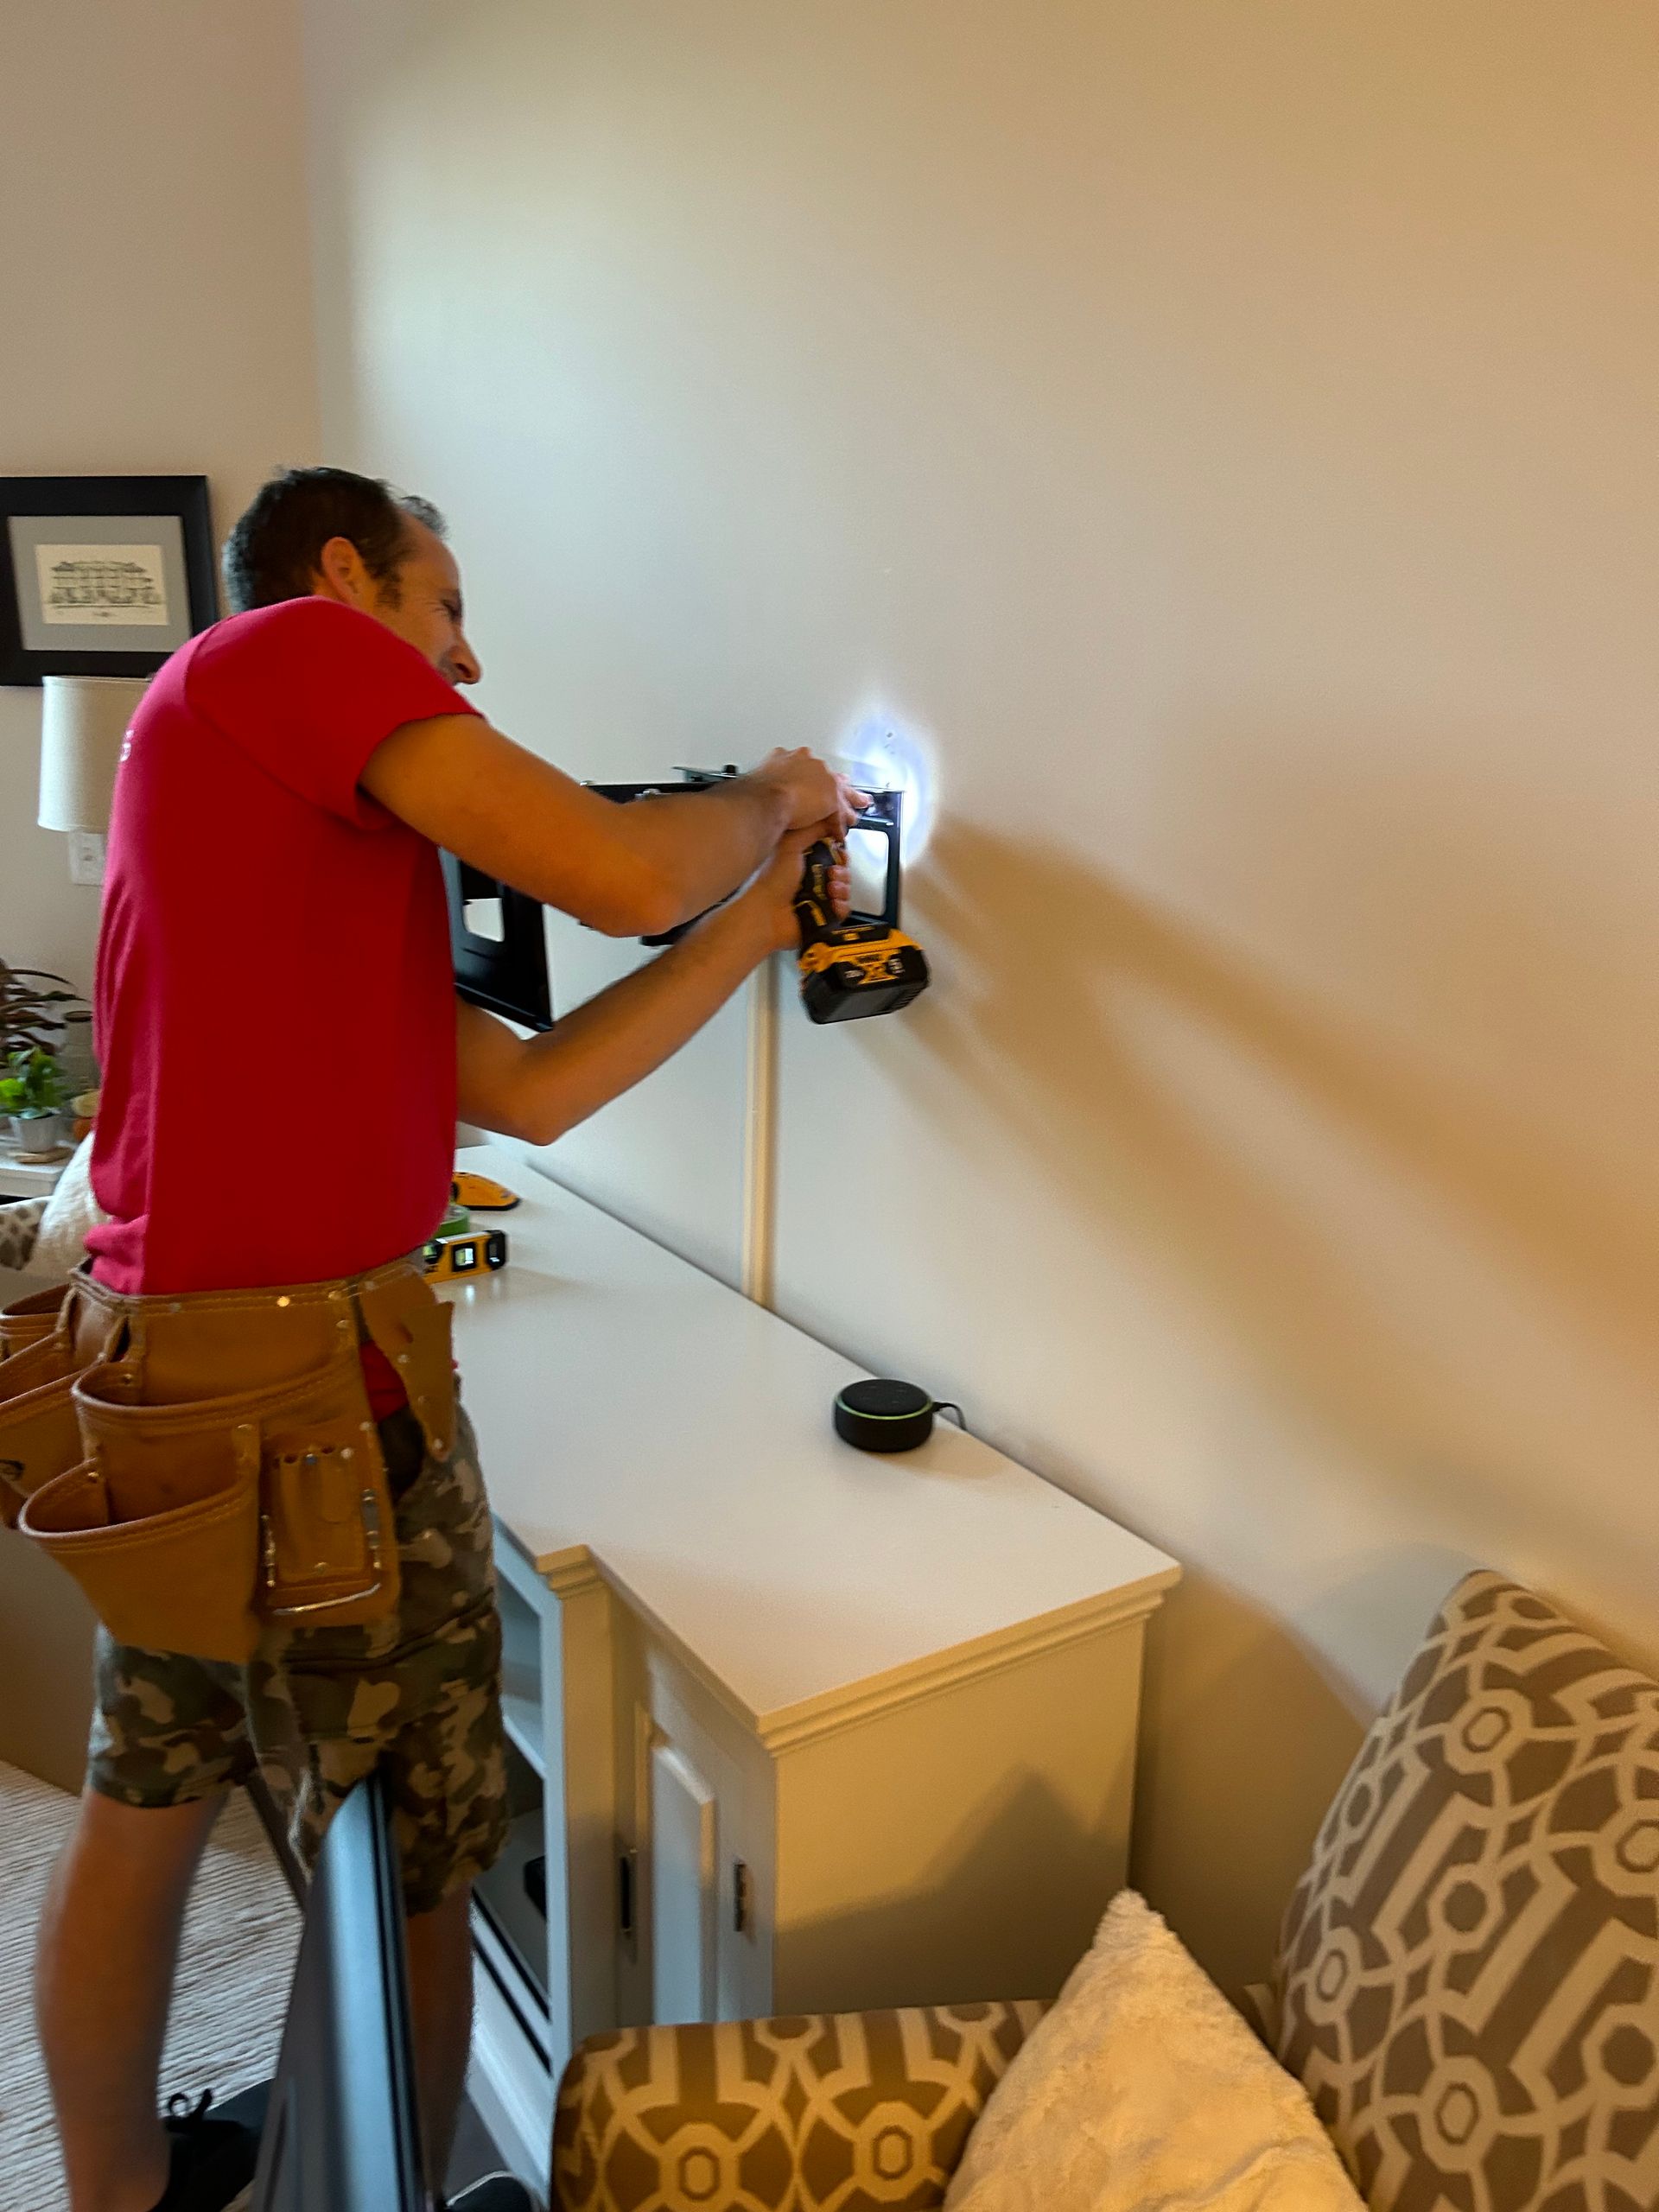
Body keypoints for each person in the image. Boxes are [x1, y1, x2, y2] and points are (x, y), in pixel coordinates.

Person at [29, 465, 861, 2212]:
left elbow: (537, 1092)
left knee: (153, 1785)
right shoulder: (283, 649)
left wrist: (760, 914)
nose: (466, 661)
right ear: (347, 573)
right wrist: (778, 789)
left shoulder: (296, 845)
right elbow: (621, 875)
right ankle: (390, 2191)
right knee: (418, 1843)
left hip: (178, 1366)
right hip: (307, 1387)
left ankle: (118, 2190)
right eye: (449, 606)